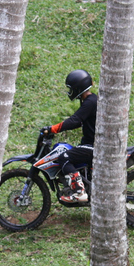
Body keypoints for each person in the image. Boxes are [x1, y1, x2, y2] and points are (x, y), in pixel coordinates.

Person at [41, 69, 97, 203]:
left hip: (94, 146)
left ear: (78, 87)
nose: (69, 92)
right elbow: (80, 121)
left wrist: (52, 129)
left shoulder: (90, 101)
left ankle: (79, 192)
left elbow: (75, 120)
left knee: (64, 157)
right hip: (91, 144)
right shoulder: (90, 100)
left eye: (70, 88)